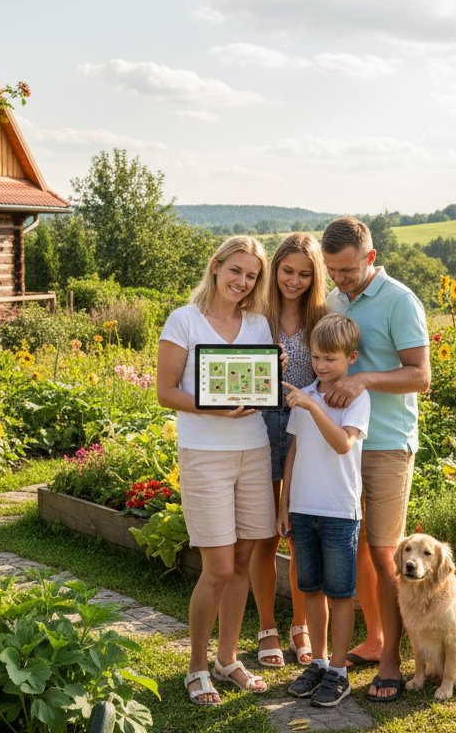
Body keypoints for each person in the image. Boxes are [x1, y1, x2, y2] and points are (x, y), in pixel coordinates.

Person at [157, 235, 277, 706]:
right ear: (216, 267)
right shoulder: (184, 320)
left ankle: (229, 660)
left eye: (251, 276)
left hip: (254, 449)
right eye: (236, 271)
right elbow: (166, 391)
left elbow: (259, 383)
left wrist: (270, 377)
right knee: (219, 568)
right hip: (205, 453)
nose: (243, 282)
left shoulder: (258, 324)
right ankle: (197, 666)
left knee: (244, 562)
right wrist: (215, 408)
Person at [320, 217, 430, 703]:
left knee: (386, 552)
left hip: (386, 441)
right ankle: (376, 637)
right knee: (357, 545)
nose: (338, 280)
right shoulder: (337, 301)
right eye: (331, 271)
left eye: (345, 270)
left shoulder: (400, 300)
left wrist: (364, 380)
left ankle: (391, 664)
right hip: (346, 441)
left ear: (369, 257)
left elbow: (419, 376)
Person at [277, 314, 370, 707]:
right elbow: (294, 452)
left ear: (350, 358)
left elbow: (342, 445)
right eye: (315, 357)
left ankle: (339, 670)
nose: (320, 365)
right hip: (303, 508)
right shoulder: (306, 393)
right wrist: (284, 503)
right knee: (310, 589)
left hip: (338, 510)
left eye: (329, 358)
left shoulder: (357, 398)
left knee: (341, 593)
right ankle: (317, 661)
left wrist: (313, 407)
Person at [249, 233, 328, 670]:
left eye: (303, 273)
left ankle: (300, 624)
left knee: (299, 532)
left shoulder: (322, 317)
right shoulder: (256, 316)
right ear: (274, 269)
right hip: (258, 424)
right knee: (263, 534)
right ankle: (267, 626)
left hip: (304, 430)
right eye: (286, 271)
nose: (293, 280)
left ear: (314, 277)